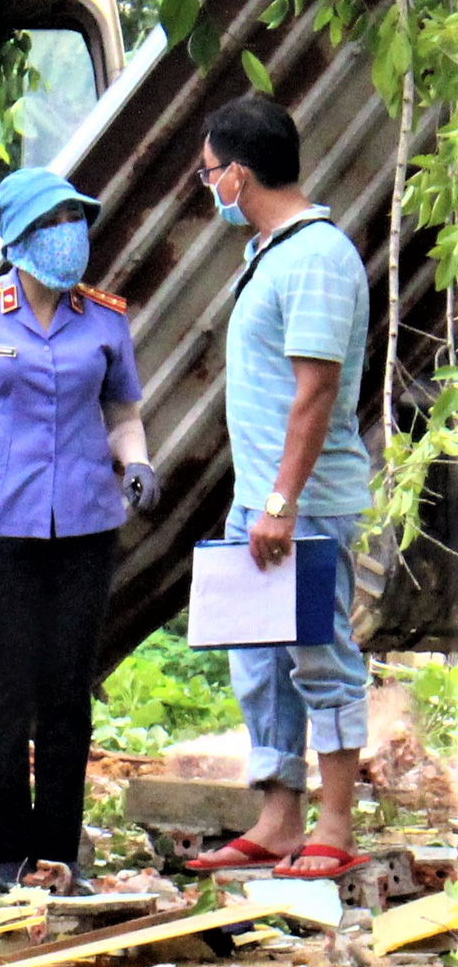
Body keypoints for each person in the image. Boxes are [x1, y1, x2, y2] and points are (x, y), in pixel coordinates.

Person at [0, 167, 160, 895]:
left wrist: (138, 462)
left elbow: (123, 414)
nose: (70, 235)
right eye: (54, 221)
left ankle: (60, 852)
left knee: (67, 691)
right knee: (6, 686)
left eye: (75, 218)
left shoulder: (104, 318)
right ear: (19, 235)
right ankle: (8, 855)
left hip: (86, 524)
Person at [184, 95, 372, 880]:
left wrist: (281, 503)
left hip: (303, 503)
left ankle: (332, 822)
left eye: (208, 173)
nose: (208, 186)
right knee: (260, 661)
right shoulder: (270, 250)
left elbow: (316, 390)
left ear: (239, 173)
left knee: (320, 655)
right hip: (262, 499)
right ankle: (278, 814)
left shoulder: (318, 256)